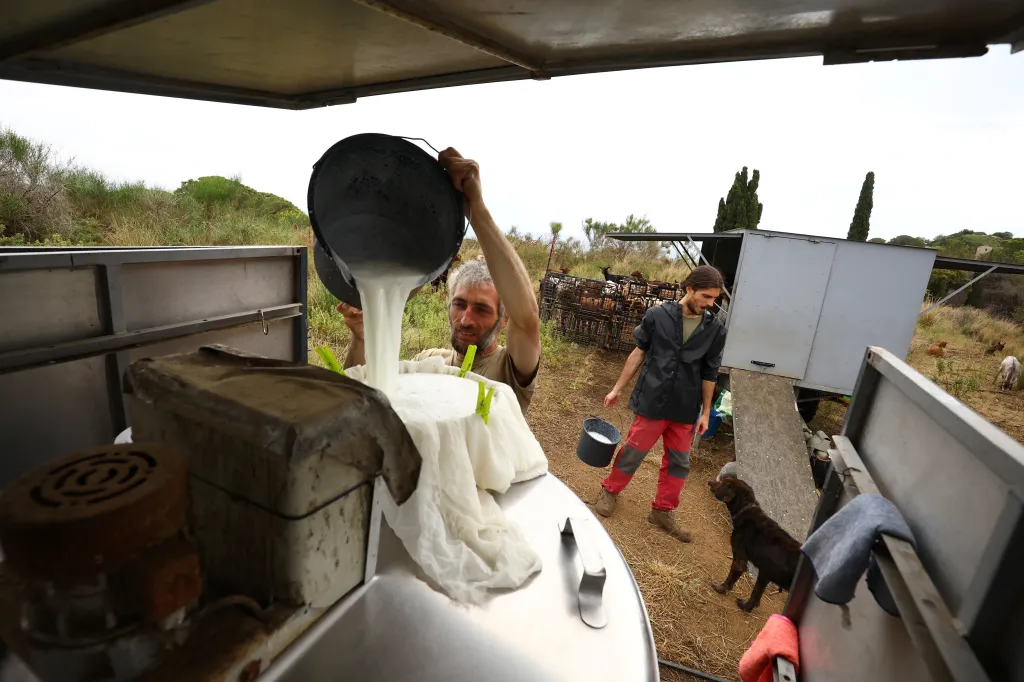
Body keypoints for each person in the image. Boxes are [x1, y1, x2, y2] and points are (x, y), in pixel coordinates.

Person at [338, 148, 541, 414]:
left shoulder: (509, 370)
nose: (465, 319)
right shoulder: (429, 363)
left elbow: (527, 320)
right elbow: (363, 394)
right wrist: (363, 338)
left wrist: (475, 209)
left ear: (504, 320)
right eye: (459, 304)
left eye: (482, 309)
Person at [594, 265, 727, 542]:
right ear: (689, 288)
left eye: (715, 298)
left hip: (685, 406)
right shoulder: (657, 316)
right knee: (633, 450)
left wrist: (705, 412)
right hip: (652, 399)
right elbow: (638, 353)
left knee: (679, 462)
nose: (710, 304)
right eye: (706, 296)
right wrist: (617, 388)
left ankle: (663, 511)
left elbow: (710, 373)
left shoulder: (714, 330)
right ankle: (611, 490)